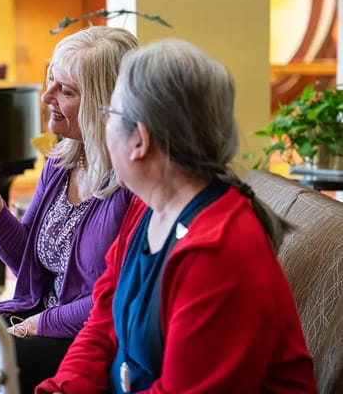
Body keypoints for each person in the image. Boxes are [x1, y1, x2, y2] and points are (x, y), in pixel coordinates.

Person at [36, 38, 316, 393]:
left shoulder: (218, 251)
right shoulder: (147, 207)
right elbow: (102, 321)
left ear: (139, 140)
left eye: (109, 115)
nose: (101, 128)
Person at [0, 25, 139, 393]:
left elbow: (115, 296)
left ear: (104, 103)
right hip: (42, 311)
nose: (46, 96)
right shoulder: (61, 164)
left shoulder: (132, 185)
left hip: (95, 332)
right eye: (50, 82)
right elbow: (31, 268)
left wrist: (32, 325)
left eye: (66, 90)